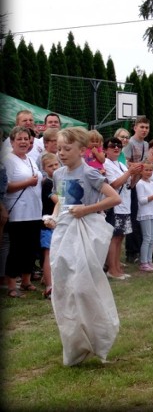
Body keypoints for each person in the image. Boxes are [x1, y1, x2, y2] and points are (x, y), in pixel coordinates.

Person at [46, 126, 122, 366]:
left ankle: (99, 334)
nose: (61, 153)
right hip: (64, 231)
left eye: (67, 149)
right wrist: (53, 217)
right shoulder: (58, 174)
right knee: (63, 287)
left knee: (82, 286)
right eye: (59, 149)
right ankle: (74, 345)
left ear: (82, 150)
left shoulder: (89, 173)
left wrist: (86, 210)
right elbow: (62, 202)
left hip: (87, 231)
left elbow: (114, 198)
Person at [4, 126, 43, 298]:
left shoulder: (31, 160)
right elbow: (6, 187)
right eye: (19, 139)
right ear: (12, 141)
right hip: (18, 213)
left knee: (31, 248)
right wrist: (27, 182)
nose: (23, 142)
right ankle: (12, 285)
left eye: (26, 139)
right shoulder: (8, 160)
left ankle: (26, 281)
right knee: (17, 249)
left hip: (35, 212)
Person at [103, 137, 144, 277]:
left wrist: (138, 174)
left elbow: (130, 185)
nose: (116, 148)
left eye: (118, 146)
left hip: (124, 204)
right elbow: (113, 184)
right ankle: (111, 269)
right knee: (114, 238)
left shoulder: (121, 164)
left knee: (120, 237)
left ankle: (117, 267)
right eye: (112, 146)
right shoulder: (106, 164)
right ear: (105, 150)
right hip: (114, 206)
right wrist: (130, 172)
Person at [123, 117, 150, 264]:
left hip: (141, 184)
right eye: (142, 127)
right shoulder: (129, 143)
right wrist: (141, 165)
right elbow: (125, 162)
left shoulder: (146, 144)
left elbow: (145, 163)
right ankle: (131, 252)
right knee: (132, 218)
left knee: (141, 217)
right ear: (135, 128)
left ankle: (141, 248)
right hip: (130, 185)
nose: (144, 130)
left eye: (146, 127)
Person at [40, 153, 60, 299]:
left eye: (55, 165)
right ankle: (49, 286)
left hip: (58, 222)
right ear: (44, 168)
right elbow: (58, 200)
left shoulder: (59, 180)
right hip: (48, 222)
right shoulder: (47, 183)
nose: (54, 168)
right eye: (50, 166)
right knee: (48, 253)